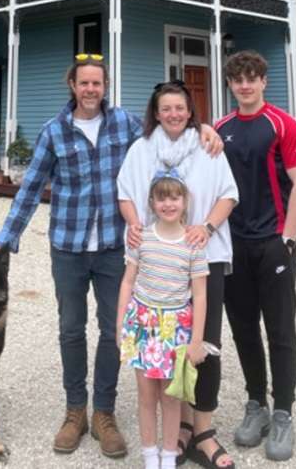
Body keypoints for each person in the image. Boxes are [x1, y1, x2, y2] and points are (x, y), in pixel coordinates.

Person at [0, 56, 223, 459]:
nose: (91, 90)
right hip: (69, 248)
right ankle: (75, 410)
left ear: (105, 86)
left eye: (98, 83)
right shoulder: (54, 132)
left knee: (114, 333)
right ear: (73, 86)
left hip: (115, 248)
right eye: (85, 83)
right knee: (71, 329)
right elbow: (30, 190)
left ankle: (104, 413)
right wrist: (5, 239)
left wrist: (202, 127)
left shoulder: (126, 125)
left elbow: (168, 130)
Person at [117, 80, 238, 469]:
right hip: (155, 254)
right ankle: (179, 429)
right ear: (155, 112)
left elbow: (228, 193)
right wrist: (135, 223)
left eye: (180, 108)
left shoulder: (207, 145)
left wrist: (207, 226)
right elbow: (124, 192)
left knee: (200, 344)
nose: (173, 114)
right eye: (165, 108)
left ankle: (202, 430)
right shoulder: (141, 149)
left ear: (191, 111)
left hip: (202, 252)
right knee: (166, 350)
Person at [216, 51, 296, 462]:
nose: (245, 85)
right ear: (231, 84)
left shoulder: (284, 124)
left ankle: (283, 411)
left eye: (252, 78)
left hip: (273, 241)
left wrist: (288, 239)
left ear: (264, 81)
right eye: (238, 79)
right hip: (232, 245)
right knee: (243, 330)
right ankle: (255, 403)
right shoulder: (221, 129)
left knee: (280, 330)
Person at [117, 173, 208, 469]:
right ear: (152, 202)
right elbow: (128, 281)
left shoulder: (194, 243)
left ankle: (169, 455)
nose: (168, 203)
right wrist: (120, 326)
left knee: (171, 396)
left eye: (174, 197)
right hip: (142, 324)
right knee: (146, 395)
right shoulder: (141, 237)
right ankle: (149, 455)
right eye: (162, 197)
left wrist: (196, 341)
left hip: (175, 327)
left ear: (184, 202)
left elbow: (200, 294)